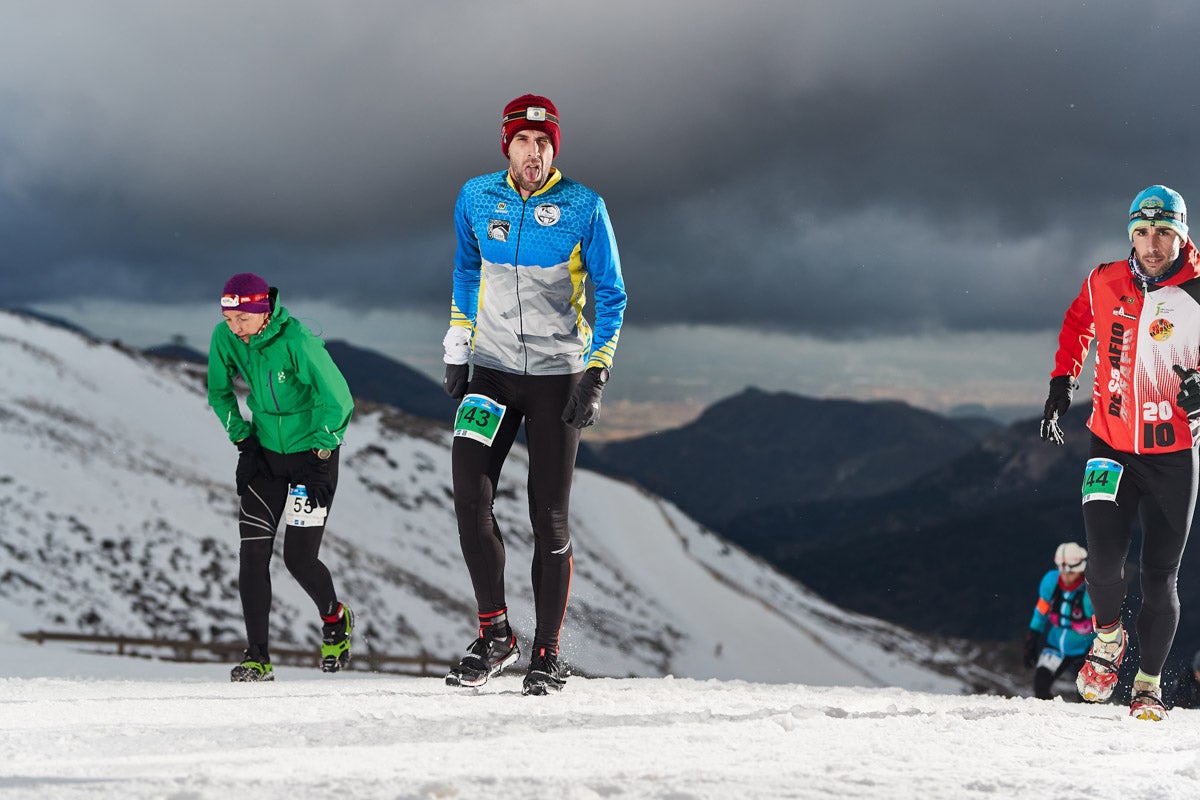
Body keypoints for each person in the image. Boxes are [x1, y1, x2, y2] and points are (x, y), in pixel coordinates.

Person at [440, 94, 627, 695]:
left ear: (555, 148)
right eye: (524, 140)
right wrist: (457, 345)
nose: (535, 151)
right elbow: (467, 271)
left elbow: (613, 294)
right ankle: (496, 635)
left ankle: (547, 653)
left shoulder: (584, 207)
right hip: (491, 371)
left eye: (545, 142)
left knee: (547, 518)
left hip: (557, 377)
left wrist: (596, 373)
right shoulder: (475, 197)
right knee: (470, 497)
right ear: (507, 144)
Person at [1040, 184, 1200, 721]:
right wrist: (1063, 383)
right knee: (1104, 559)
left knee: (1159, 575)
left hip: (1174, 454)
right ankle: (1108, 640)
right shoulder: (1104, 279)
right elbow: (1077, 322)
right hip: (1109, 442)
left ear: (1180, 234)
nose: (1152, 245)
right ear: (1130, 233)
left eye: (1163, 232)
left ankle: (1148, 687)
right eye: (1141, 232)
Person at [207, 272, 356, 682]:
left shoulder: (298, 342)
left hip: (312, 456)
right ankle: (258, 657)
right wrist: (242, 438)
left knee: (298, 559)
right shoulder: (225, 339)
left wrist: (323, 449)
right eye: (227, 318)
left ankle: (335, 619)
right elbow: (218, 392)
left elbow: (339, 397)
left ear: (262, 311)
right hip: (266, 457)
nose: (233, 328)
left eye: (241, 319)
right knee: (252, 553)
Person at [1023, 542, 1095, 699]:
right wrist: (1032, 637)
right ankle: (1047, 720)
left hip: (1086, 649)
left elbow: (1103, 624)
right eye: (1063, 572)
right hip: (1056, 645)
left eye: (1072, 573)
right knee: (1040, 685)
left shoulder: (1090, 593)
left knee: (1088, 696)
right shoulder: (1051, 583)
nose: (1066, 578)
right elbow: (1040, 611)